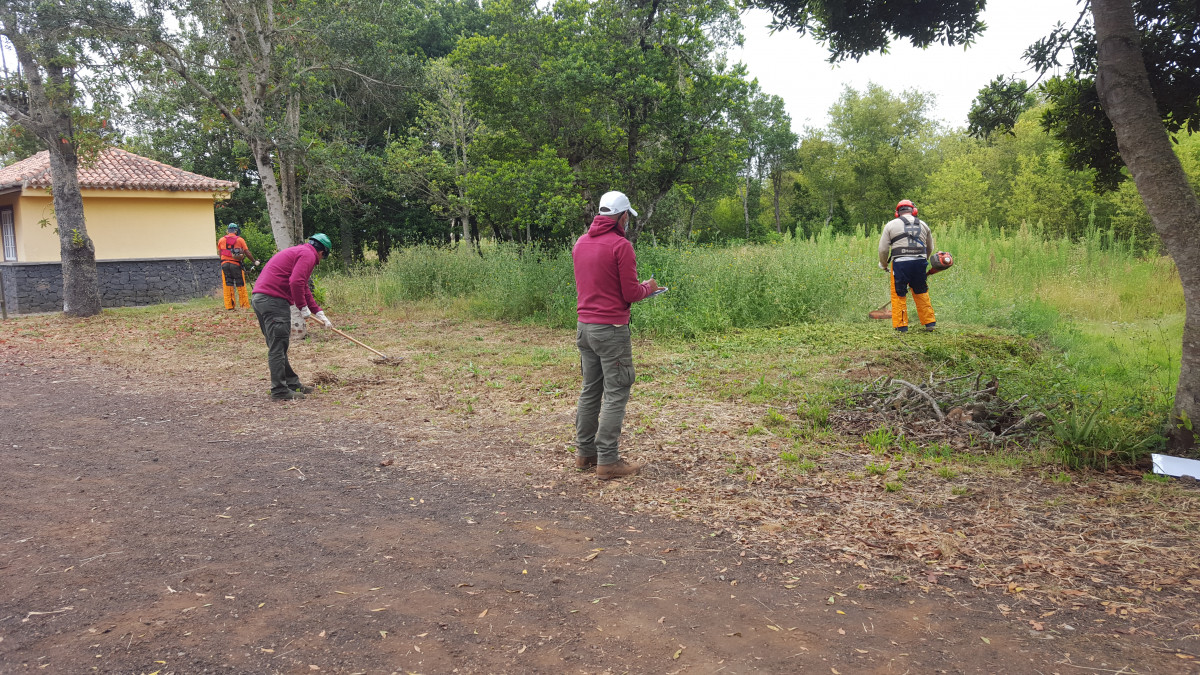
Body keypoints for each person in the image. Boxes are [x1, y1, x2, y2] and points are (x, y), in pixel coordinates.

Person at [571, 191, 659, 480]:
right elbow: (630, 293)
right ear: (622, 216)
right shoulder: (621, 246)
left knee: (590, 389)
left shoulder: (581, 244)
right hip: (611, 330)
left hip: (584, 327)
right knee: (617, 391)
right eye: (626, 217)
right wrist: (649, 287)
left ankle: (585, 454)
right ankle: (608, 461)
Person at [250, 234, 334, 401]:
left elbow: (302, 286)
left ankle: (292, 383)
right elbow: (295, 282)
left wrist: (318, 312)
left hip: (261, 299)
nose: (320, 260)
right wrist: (302, 308)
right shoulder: (308, 255)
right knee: (278, 347)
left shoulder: (300, 251)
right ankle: (279, 391)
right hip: (273, 301)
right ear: (322, 252)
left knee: (278, 346)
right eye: (323, 257)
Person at [878, 199, 936, 333]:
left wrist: (884, 264)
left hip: (900, 264)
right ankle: (929, 323)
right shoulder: (923, 224)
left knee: (899, 294)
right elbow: (930, 247)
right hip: (920, 262)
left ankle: (901, 326)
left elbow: (883, 249)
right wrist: (923, 261)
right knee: (921, 291)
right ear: (914, 211)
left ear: (897, 212)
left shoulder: (891, 225)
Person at [217, 223, 257, 310]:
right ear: (236, 231)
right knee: (240, 284)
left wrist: (223, 261)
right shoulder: (240, 240)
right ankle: (244, 305)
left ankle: (229, 306)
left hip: (224, 264)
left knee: (228, 285)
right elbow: (247, 252)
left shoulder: (221, 240)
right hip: (236, 264)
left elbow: (220, 253)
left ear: (227, 231)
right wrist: (254, 261)